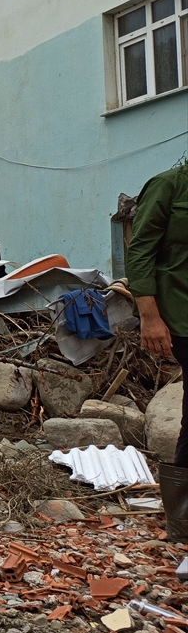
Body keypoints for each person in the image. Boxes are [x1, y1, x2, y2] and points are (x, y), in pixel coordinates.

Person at [129, 163, 188, 541]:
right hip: (182, 312)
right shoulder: (169, 185)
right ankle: (182, 518)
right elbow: (140, 252)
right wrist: (149, 318)